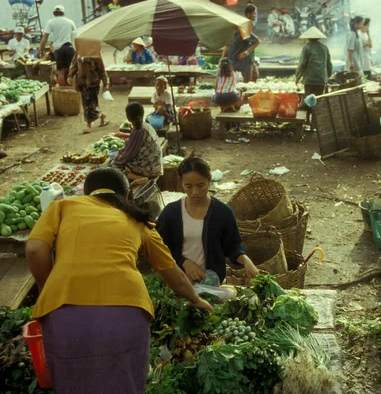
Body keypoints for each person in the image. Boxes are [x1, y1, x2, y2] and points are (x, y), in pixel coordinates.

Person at [25, 167, 212, 394]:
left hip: (64, 310)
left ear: (86, 194)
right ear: (125, 196)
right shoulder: (138, 221)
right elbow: (172, 271)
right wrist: (196, 299)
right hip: (127, 310)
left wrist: (50, 286)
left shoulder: (63, 207)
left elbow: (35, 249)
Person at [157, 156, 260, 285]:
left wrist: (246, 261)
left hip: (212, 279)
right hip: (177, 278)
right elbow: (159, 247)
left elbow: (233, 246)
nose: (195, 192)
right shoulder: (170, 213)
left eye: (200, 185)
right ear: (181, 182)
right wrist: (184, 262)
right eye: (188, 186)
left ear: (209, 181)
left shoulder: (223, 213)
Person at [114, 102, 163, 187]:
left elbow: (129, 154)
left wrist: (117, 159)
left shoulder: (138, 131)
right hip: (156, 165)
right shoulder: (146, 125)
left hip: (149, 170)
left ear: (128, 117)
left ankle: (138, 178)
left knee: (116, 166)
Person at [67, 38, 109, 134]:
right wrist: (70, 75)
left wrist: (106, 83)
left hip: (93, 83)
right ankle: (100, 118)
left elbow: (102, 70)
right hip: (82, 83)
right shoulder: (77, 55)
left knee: (92, 104)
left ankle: (89, 124)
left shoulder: (96, 55)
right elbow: (73, 66)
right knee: (86, 104)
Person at [295, 26, 332, 122]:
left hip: (310, 79)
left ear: (308, 38)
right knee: (317, 101)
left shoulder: (307, 47)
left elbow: (302, 63)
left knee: (308, 99)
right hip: (321, 79)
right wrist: (327, 76)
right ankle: (315, 121)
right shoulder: (324, 48)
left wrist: (297, 77)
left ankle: (307, 120)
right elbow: (329, 64)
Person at [39, 5, 76, 86]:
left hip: (59, 49)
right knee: (71, 70)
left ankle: (63, 91)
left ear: (54, 13)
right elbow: (75, 35)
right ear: (63, 13)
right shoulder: (70, 22)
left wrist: (40, 49)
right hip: (70, 47)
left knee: (61, 72)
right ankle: (72, 91)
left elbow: (45, 37)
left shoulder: (50, 22)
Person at [223, 4, 261, 83]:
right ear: (248, 14)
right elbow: (227, 46)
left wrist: (246, 52)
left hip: (244, 59)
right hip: (238, 61)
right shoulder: (242, 27)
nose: (255, 15)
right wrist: (222, 59)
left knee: (254, 77)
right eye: (254, 13)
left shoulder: (245, 26)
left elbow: (256, 41)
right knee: (244, 83)